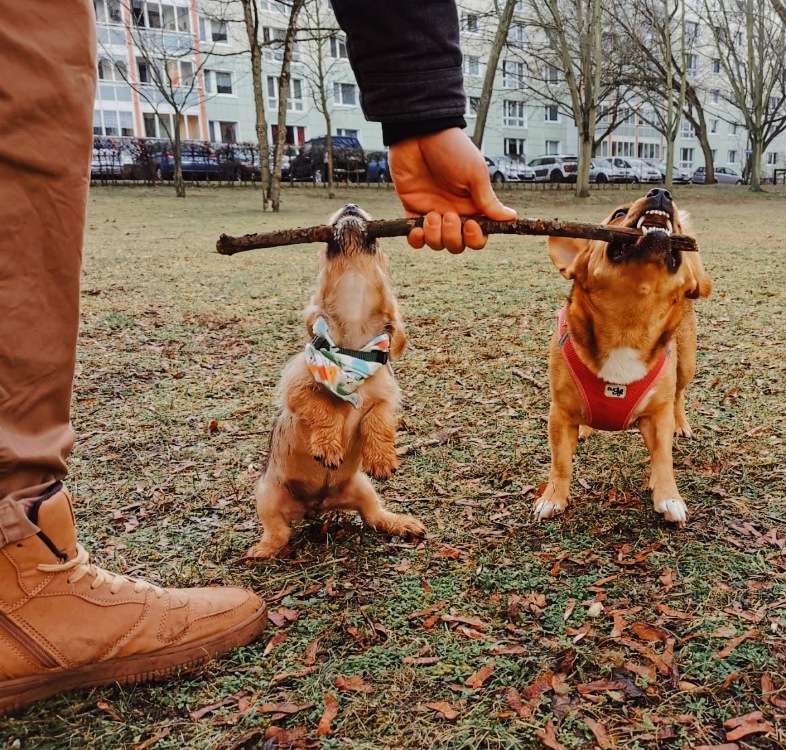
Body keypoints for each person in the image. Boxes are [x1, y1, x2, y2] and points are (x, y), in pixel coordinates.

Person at [0, 0, 511, 714]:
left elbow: (382, 401)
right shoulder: (314, 356)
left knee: (31, 99)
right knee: (26, 98)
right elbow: (303, 397)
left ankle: (19, 552)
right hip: (293, 482)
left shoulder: (379, 361)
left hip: (346, 485)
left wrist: (423, 108)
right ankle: (26, 564)